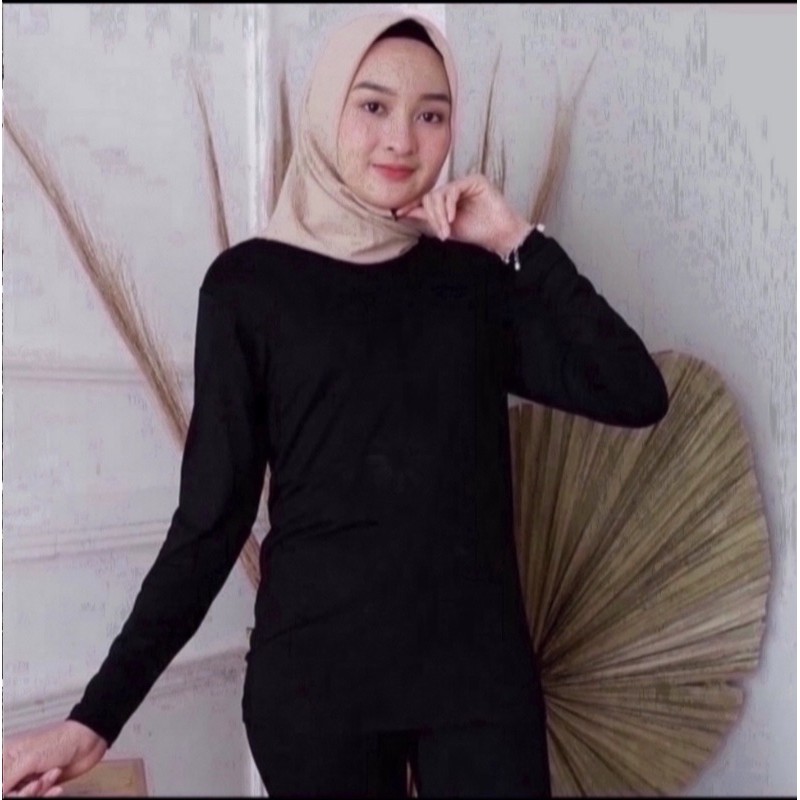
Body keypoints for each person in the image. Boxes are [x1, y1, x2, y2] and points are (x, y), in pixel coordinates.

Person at [2, 11, 669, 799]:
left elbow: (634, 391)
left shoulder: (472, 282)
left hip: (478, 686)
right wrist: (96, 718)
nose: (401, 140)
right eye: (373, 105)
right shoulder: (249, 288)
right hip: (318, 692)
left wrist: (519, 241)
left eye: (431, 115)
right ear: (327, 109)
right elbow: (210, 523)